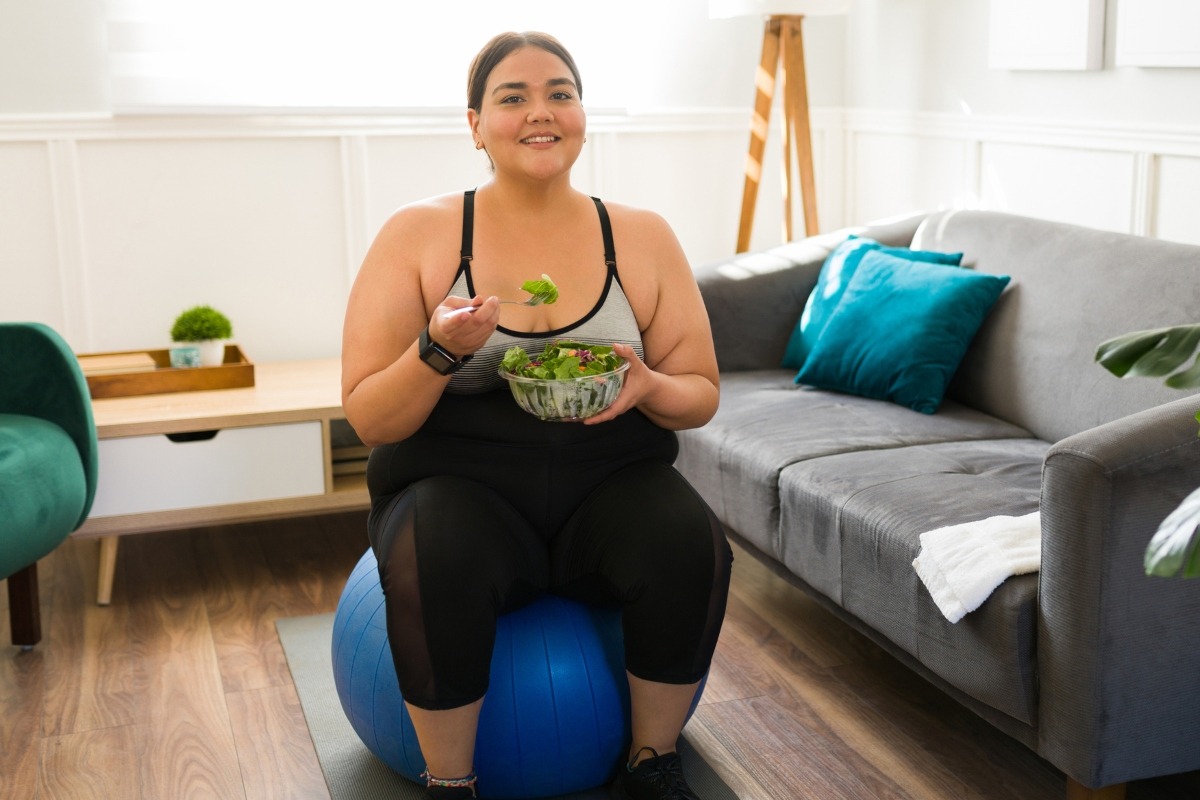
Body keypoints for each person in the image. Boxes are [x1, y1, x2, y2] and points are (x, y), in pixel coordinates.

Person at [341, 30, 733, 800]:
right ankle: (450, 782)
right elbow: (370, 419)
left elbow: (702, 392)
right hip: (458, 483)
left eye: (560, 92)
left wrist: (649, 384)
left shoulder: (642, 236)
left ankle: (655, 764)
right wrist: (437, 351)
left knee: (691, 540)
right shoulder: (419, 234)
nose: (540, 112)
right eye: (512, 98)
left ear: (583, 112)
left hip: (609, 480)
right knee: (438, 550)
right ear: (475, 123)